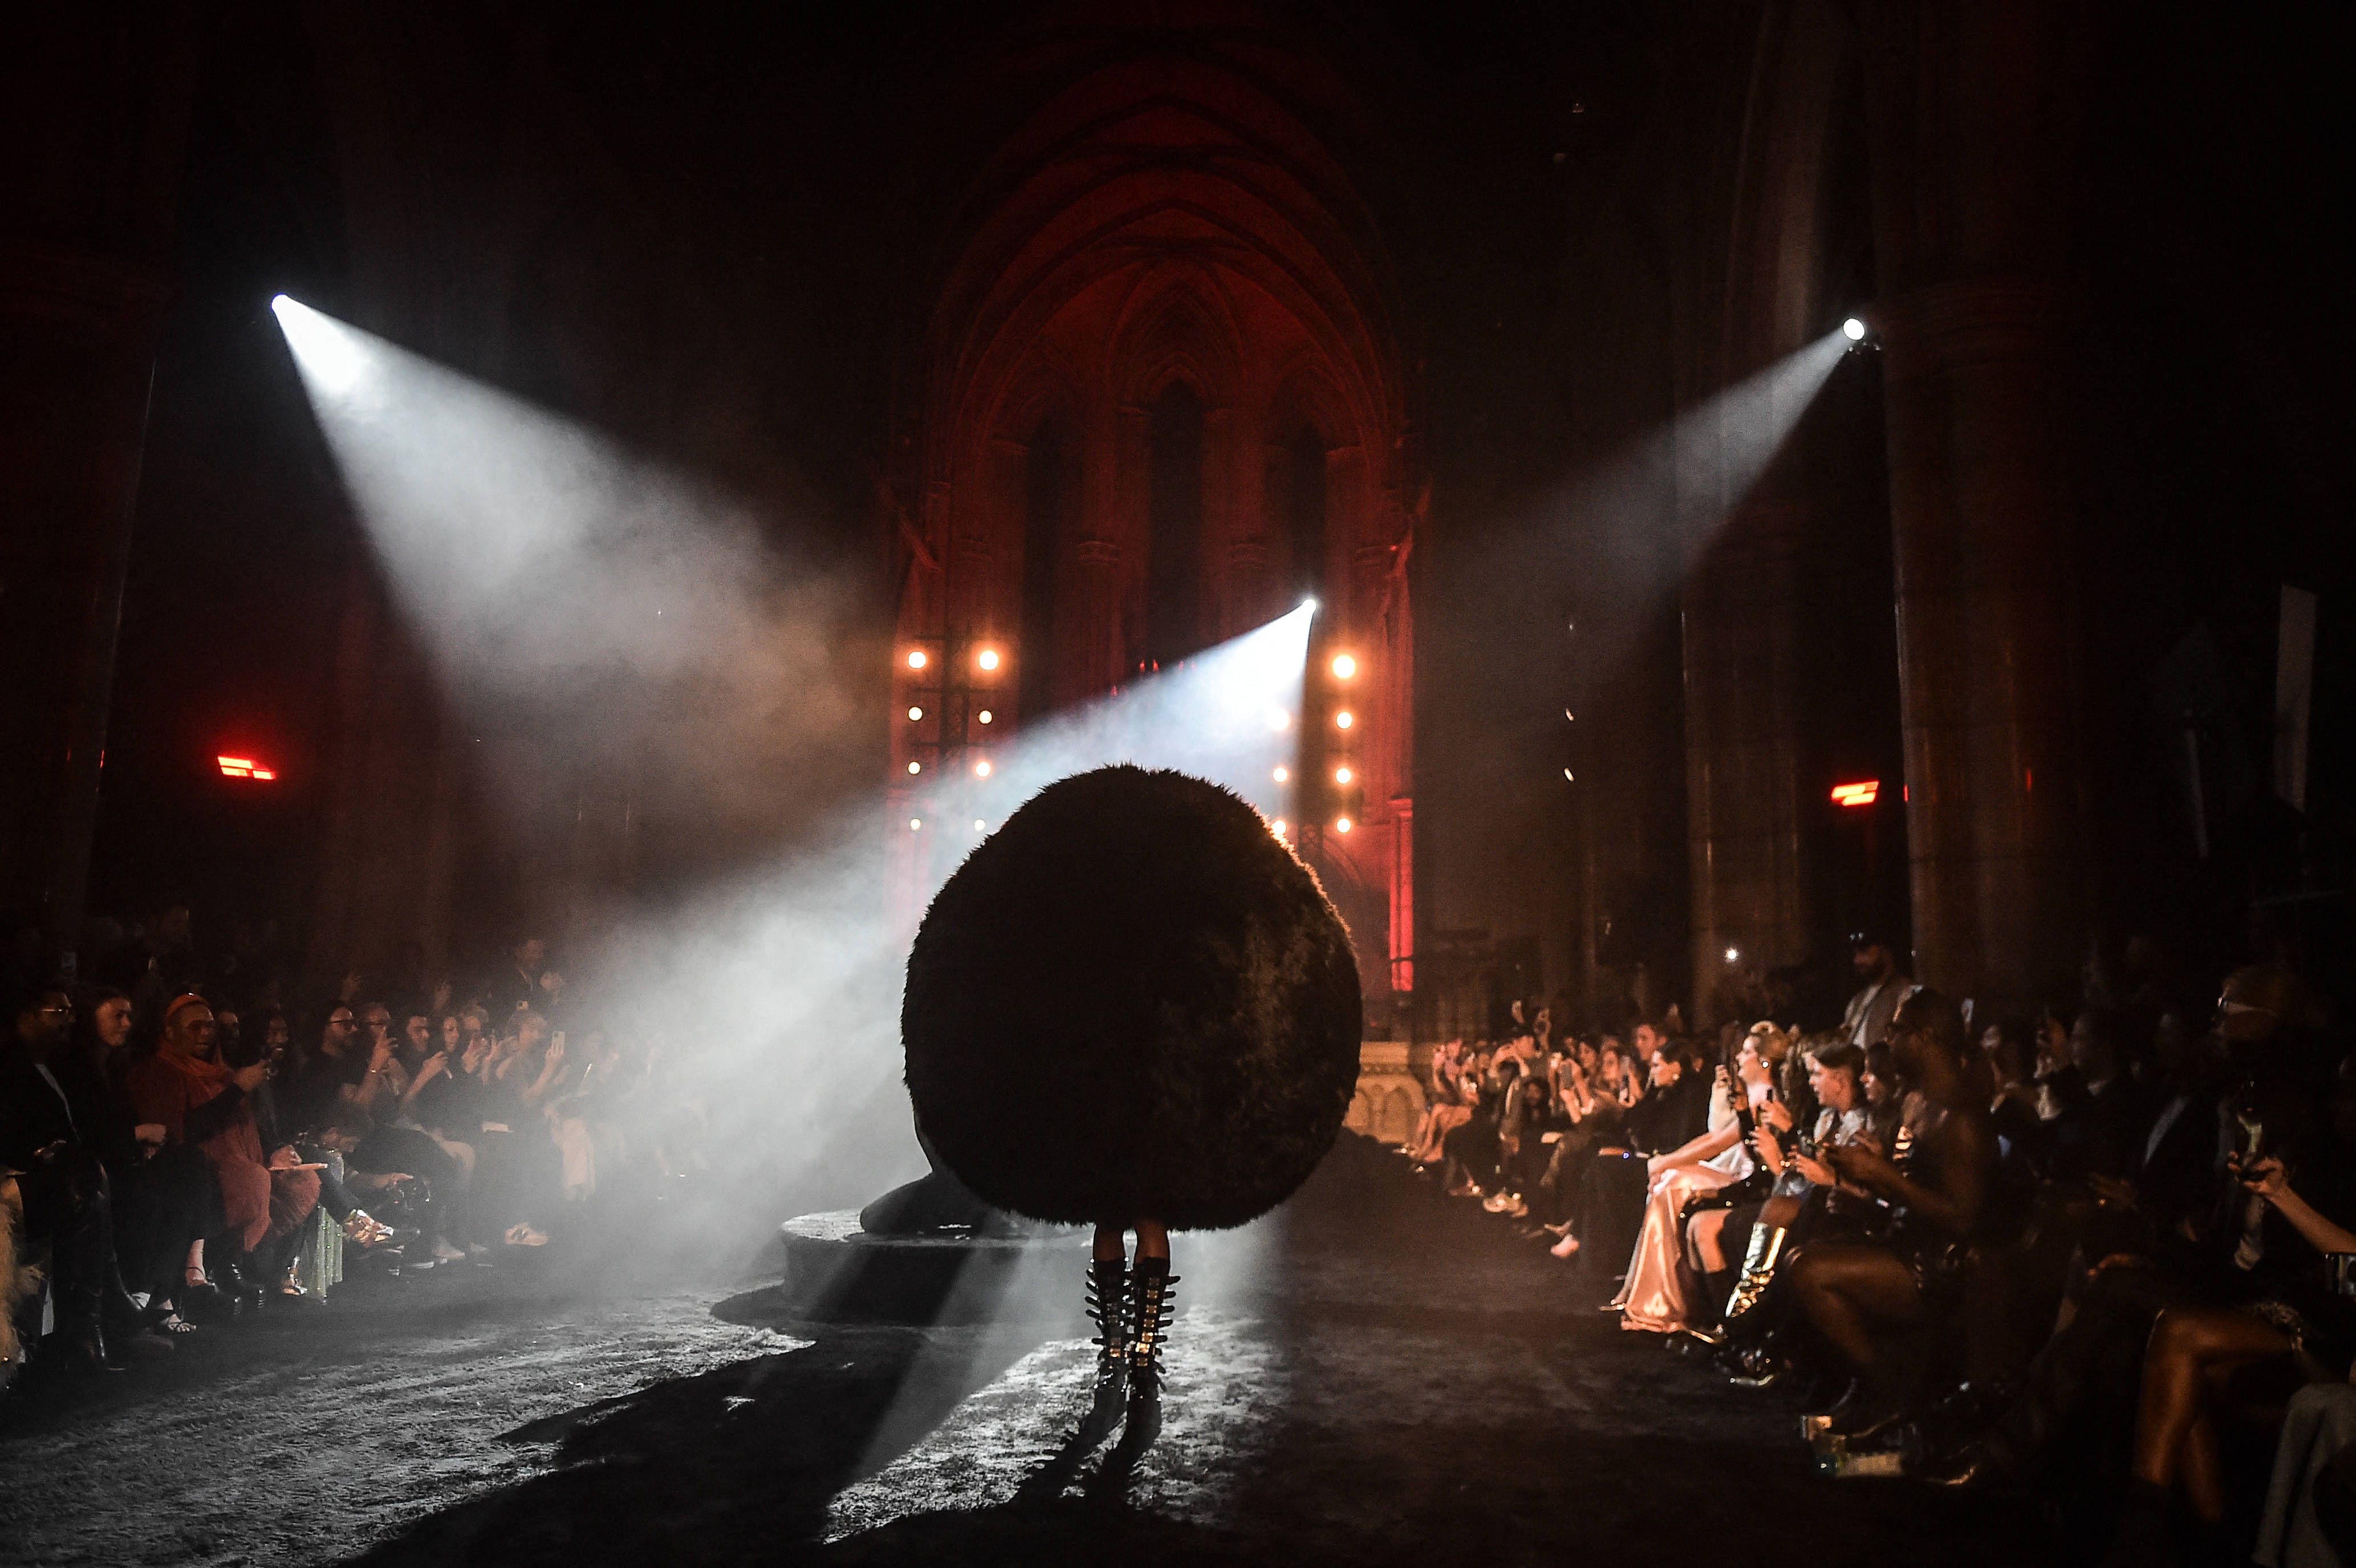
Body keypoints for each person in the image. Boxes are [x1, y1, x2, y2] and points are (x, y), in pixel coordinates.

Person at [1786, 987, 1998, 1439]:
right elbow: (1916, 1181)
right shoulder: (1916, 1100)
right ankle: (1869, 1386)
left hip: (1939, 1263)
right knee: (1804, 1248)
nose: (1888, 1038)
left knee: (1811, 1271)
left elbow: (1965, 1218)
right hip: (1904, 1239)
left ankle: (1887, 1390)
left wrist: (1886, 1175)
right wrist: (1874, 1166)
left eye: (1897, 1030)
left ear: (1925, 1038)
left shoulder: (1961, 1115)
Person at [126, 994, 321, 1304]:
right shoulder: (161, 1071)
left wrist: (277, 1150)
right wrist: (238, 1089)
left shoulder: (221, 1071)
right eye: (194, 1027)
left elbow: (254, 1126)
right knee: (249, 1180)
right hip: (202, 1166)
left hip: (243, 1159)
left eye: (209, 1026)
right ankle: (220, 1268)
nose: (205, 1033)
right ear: (172, 1031)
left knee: (301, 1180)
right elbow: (180, 1130)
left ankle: (258, 1269)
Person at [1841, 930, 1911, 1049]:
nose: (1857, 960)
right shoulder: (1857, 1000)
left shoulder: (1905, 992)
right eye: (1855, 954)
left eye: (1864, 952)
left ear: (1886, 951)